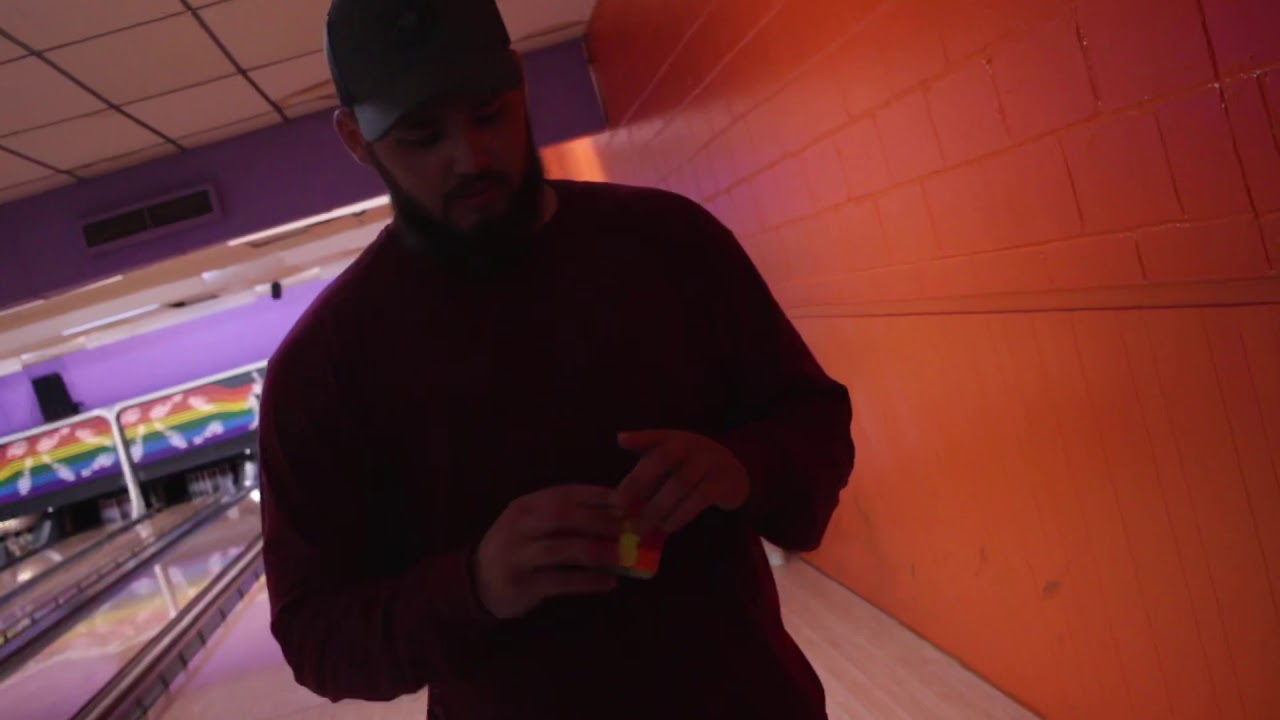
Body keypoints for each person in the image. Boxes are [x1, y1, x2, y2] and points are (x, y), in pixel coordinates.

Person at [257, 0, 855, 718]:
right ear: (357, 139)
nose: (470, 158)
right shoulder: (323, 370)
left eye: (489, 114)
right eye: (422, 136)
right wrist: (475, 584)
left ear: (519, 77)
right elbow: (316, 637)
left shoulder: (669, 243)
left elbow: (815, 423)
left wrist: (744, 465)